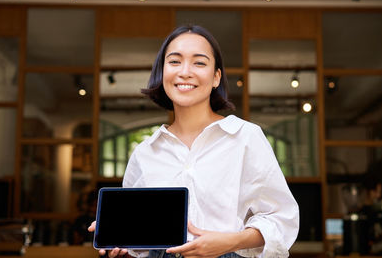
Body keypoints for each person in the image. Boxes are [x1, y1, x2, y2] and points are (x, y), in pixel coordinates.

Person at [88, 25, 299, 258]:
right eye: (175, 61)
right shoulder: (145, 152)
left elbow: (282, 219)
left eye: (199, 63)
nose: (185, 72)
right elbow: (141, 245)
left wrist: (230, 242)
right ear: (162, 71)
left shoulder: (245, 137)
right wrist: (120, 241)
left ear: (216, 77)